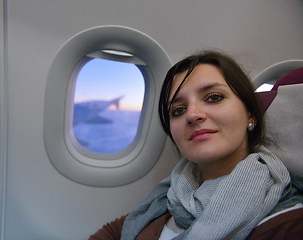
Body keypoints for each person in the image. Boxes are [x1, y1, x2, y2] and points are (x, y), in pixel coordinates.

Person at [89, 50, 303, 240]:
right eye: (178, 110)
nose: (192, 115)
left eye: (213, 98)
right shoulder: (169, 195)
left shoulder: (287, 223)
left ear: (250, 114)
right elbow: (115, 231)